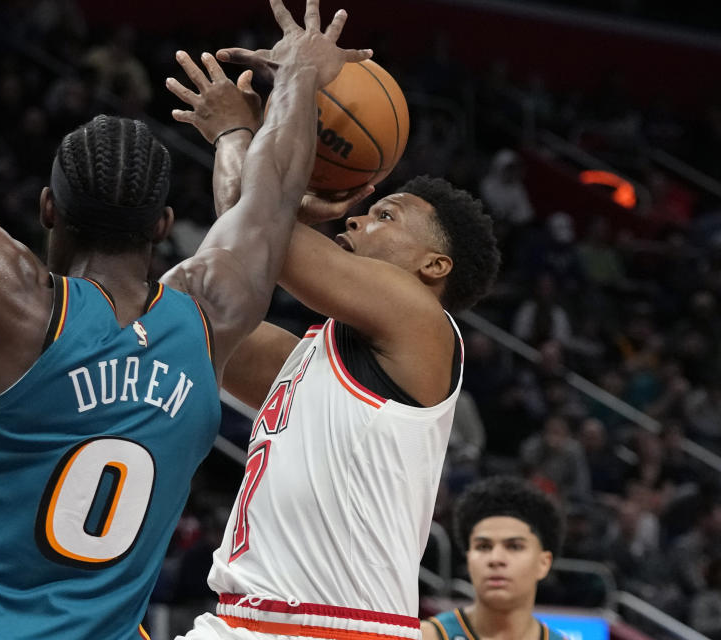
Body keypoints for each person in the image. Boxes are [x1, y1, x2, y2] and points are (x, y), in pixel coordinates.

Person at [0, 0, 369, 637]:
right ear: (164, 227)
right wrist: (297, 77)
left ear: (48, 209)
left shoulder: (19, 306)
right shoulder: (209, 317)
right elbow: (272, 194)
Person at [166, 31, 500, 640]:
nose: (356, 216)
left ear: (434, 268)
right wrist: (272, 200)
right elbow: (203, 294)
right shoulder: (304, 362)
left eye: (387, 215)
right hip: (242, 621)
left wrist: (240, 135)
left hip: (339, 630)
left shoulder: (424, 324)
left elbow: (253, 222)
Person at [422, 476, 566, 640]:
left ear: (543, 563)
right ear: (469, 559)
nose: (495, 559)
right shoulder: (427, 636)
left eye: (514, 546)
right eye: (483, 547)